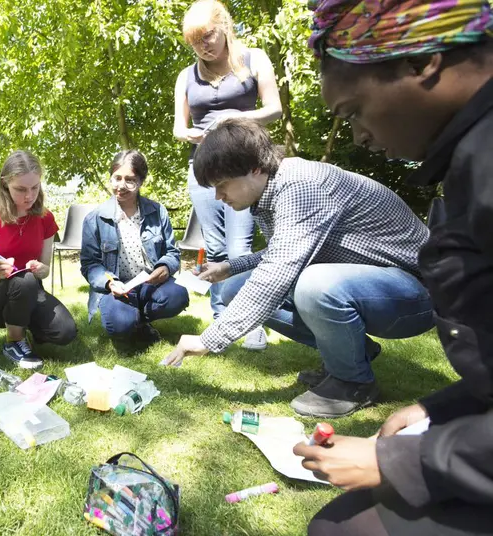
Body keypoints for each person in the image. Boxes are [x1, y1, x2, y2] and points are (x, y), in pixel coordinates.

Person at [292, 1, 493, 534]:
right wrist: (440, 408)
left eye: (352, 110)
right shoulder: (470, 160)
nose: (359, 135)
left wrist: (401, 460)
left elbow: (282, 265)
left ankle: (351, 380)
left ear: (421, 61)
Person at [162, 118, 434, 418]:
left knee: (313, 284)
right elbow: (285, 250)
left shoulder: (301, 185)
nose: (218, 197)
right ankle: (352, 357)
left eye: (222, 185)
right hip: (375, 285)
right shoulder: (272, 187)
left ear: (255, 167)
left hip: (420, 292)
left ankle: (352, 383)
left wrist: (208, 340)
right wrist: (231, 266)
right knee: (233, 289)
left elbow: (279, 270)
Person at [173, 0, 283, 349]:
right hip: (203, 168)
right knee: (216, 247)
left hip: (243, 166)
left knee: (240, 246)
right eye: (195, 42)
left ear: (224, 27)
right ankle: (221, 320)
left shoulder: (254, 59)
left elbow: (275, 109)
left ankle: (248, 319)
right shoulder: (187, 76)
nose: (203, 46)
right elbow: (179, 127)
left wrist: (236, 117)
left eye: (207, 36)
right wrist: (189, 134)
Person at [0, 150, 77, 369]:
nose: (29, 196)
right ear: (5, 185)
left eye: (35, 188)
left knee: (65, 332)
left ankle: (26, 325)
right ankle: (14, 341)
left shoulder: (45, 218)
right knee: (24, 280)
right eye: (20, 189)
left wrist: (40, 269)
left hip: (30, 290)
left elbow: (45, 271)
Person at [80, 150, 189, 346]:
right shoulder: (94, 219)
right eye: (116, 178)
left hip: (150, 284)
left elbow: (172, 252)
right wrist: (110, 283)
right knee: (120, 325)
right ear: (111, 177)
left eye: (130, 180)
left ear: (141, 181)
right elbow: (89, 264)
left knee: (178, 296)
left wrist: (164, 267)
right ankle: (133, 322)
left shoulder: (158, 211)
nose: (121, 186)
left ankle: (140, 320)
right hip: (117, 287)